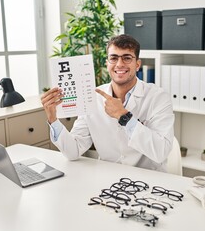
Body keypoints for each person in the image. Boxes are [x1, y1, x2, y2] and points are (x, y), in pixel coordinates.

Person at [41, 34, 174, 172]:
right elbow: (73, 151)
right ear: (107, 63)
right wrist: (53, 119)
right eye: (114, 58)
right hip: (109, 179)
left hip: (150, 179)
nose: (120, 64)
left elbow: (161, 151)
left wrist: (124, 117)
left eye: (127, 58)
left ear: (137, 64)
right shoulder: (93, 96)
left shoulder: (158, 97)